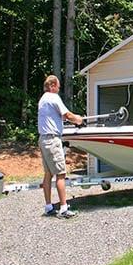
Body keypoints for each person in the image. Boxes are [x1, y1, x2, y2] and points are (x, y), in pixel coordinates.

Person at [38, 75, 83, 218]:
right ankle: (64, 209)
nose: (59, 89)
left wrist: (68, 117)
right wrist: (78, 119)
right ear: (52, 86)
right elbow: (67, 115)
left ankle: (48, 207)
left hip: (43, 140)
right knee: (61, 174)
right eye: (58, 86)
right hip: (52, 140)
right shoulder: (53, 97)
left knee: (48, 174)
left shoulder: (43, 99)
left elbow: (57, 116)